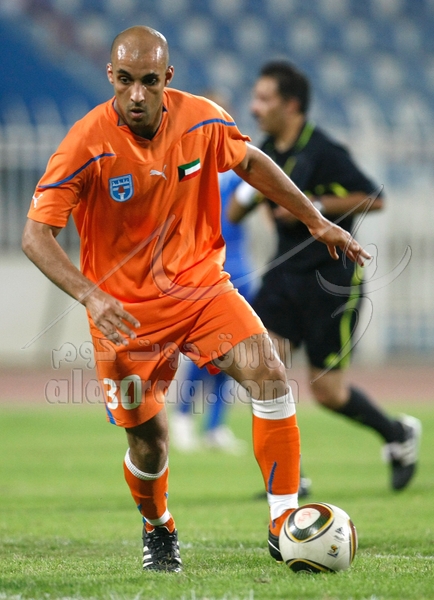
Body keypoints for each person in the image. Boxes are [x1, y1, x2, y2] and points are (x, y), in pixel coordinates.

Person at [22, 27, 370, 573]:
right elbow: (35, 236)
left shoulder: (202, 120)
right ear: (110, 75)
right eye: (125, 80)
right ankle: (158, 526)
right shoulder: (84, 144)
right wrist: (92, 297)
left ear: (168, 78)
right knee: (150, 443)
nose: (137, 94)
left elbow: (251, 162)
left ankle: (283, 518)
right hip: (124, 315)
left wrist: (315, 220)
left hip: (200, 288)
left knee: (269, 374)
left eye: (149, 81)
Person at [228, 60, 421, 494]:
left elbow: (375, 198)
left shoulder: (324, 151)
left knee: (328, 392)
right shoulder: (265, 151)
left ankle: (397, 433)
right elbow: (235, 213)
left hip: (330, 279)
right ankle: (290, 477)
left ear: (291, 105)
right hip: (283, 278)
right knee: (259, 369)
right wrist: (252, 188)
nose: (255, 107)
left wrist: (311, 205)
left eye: (264, 99)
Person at [171, 167, 253, 455]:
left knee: (232, 352)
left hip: (238, 269)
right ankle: (182, 417)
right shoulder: (188, 167)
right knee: (203, 351)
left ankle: (215, 426)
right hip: (204, 271)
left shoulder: (240, 168)